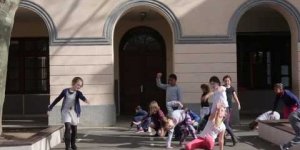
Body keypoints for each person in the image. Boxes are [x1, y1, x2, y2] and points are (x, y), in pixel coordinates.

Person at [48, 77, 90, 150]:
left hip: (74, 112)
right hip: (66, 111)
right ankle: (67, 147)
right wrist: (51, 106)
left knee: (74, 129)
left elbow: (81, 96)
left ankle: (73, 144)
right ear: (73, 83)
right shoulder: (65, 91)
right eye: (78, 85)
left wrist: (85, 100)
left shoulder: (78, 93)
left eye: (80, 86)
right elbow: (58, 99)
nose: (79, 87)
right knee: (67, 127)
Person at [206, 76, 239, 146]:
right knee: (220, 125)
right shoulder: (215, 92)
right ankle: (223, 141)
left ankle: (234, 139)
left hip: (225, 109)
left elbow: (219, 89)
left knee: (225, 125)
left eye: (213, 84)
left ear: (217, 83)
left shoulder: (222, 88)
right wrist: (212, 112)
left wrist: (209, 94)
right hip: (219, 110)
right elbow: (215, 103)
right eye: (211, 84)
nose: (212, 85)